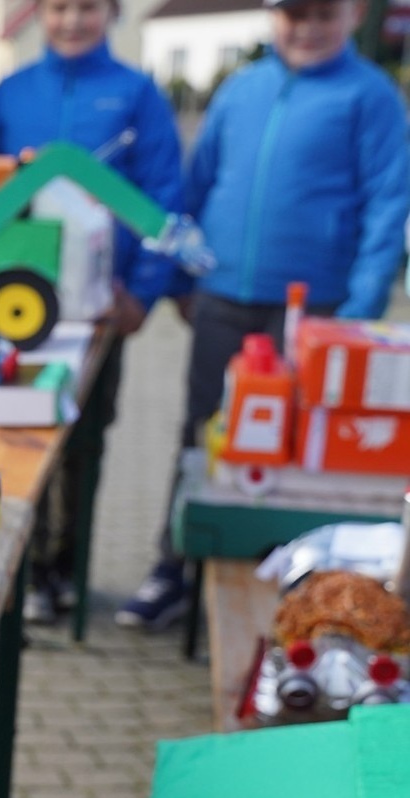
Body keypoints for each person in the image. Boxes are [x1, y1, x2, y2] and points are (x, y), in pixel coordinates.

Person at [116, 0, 409, 630]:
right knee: (202, 434)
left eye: (323, 15)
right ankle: (174, 568)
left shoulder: (371, 97)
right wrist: (181, 277)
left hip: (316, 308)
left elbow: (388, 205)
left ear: (353, 14)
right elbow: (198, 183)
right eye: (293, 15)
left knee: (294, 449)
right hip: (222, 297)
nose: (307, 29)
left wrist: (356, 313)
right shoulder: (242, 88)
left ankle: (287, 583)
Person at [0, 0, 184, 624]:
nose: (72, 21)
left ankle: (65, 567)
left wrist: (142, 293)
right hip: (15, 300)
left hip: (98, 309)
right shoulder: (9, 94)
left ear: (111, 14)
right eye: (59, 7)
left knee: (85, 438)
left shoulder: (138, 96)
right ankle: (22, 567)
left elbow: (164, 193)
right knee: (18, 433)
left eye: (87, 7)